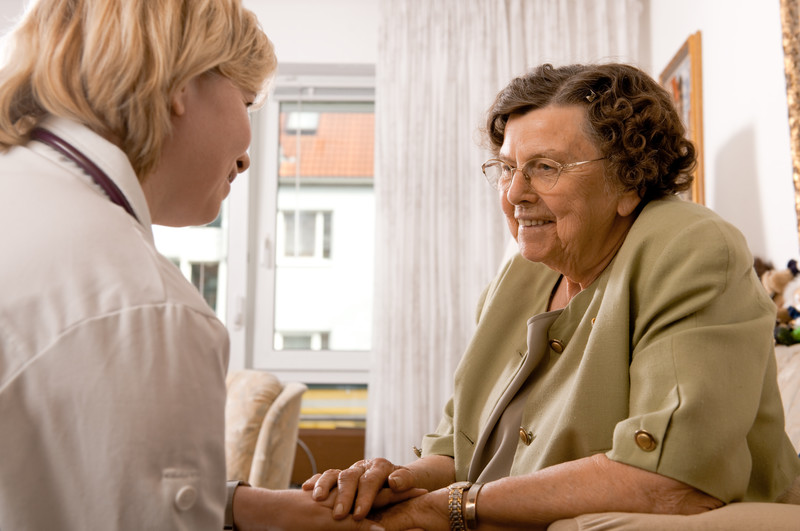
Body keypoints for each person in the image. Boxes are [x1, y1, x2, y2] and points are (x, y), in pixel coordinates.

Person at [304, 63, 800, 529]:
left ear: (630, 179)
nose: (515, 192)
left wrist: (455, 507)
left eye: (544, 167)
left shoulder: (689, 247)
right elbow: (460, 447)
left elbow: (672, 481)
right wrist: (395, 483)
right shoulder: (519, 275)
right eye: (506, 168)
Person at [0, 1, 384, 530]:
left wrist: (245, 506)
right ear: (181, 83)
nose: (247, 155)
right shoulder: (147, 310)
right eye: (247, 103)